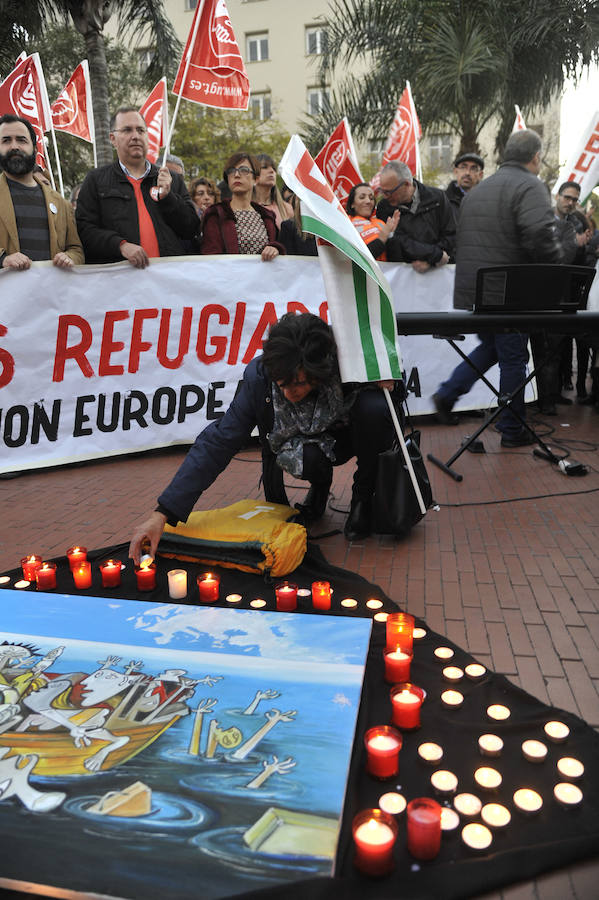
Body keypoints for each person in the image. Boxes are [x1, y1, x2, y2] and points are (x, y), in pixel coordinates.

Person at [128, 313, 398, 561]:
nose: (291, 392)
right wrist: (163, 513)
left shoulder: (348, 361)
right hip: (302, 445)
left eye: (301, 383)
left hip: (344, 435)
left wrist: (384, 379)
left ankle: (362, 497)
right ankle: (319, 485)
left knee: (375, 408)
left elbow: (395, 389)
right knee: (310, 458)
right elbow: (218, 442)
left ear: (320, 372)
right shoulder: (259, 379)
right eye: (284, 384)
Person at [432, 129, 563, 446]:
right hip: (510, 292)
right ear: (535, 157)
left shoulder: (480, 189)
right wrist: (558, 269)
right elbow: (540, 237)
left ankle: (447, 394)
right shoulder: (530, 185)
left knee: (493, 348)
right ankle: (512, 430)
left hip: (480, 290)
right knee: (514, 358)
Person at [75, 107, 198, 267]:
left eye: (141, 130)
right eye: (127, 130)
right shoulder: (96, 180)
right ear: (113, 139)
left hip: (168, 280)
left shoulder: (170, 179)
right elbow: (85, 230)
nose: (135, 136)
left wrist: (169, 198)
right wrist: (120, 245)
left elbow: (191, 229)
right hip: (120, 281)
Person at [0, 114, 83, 271]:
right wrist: (3, 259)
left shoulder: (61, 204)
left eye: (21, 140)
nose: (14, 146)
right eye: (6, 140)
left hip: (50, 294)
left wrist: (70, 257)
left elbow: (77, 250)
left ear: (35, 149)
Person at [201, 151, 284, 260]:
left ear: (256, 179)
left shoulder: (267, 216)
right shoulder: (216, 214)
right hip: (228, 275)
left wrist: (275, 248)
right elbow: (211, 256)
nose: (236, 175)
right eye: (231, 171)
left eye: (244, 170)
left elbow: (279, 249)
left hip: (263, 276)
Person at [376, 160, 455, 271]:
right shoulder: (384, 207)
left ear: (407, 184)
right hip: (400, 277)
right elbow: (396, 240)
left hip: (439, 274)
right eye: (382, 191)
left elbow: (451, 235)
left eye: (389, 192)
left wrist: (431, 262)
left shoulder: (437, 198)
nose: (385, 196)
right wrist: (434, 255)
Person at [346, 182, 399, 260]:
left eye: (371, 198)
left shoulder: (380, 223)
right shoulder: (346, 225)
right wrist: (381, 239)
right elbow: (358, 259)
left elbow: (394, 258)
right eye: (362, 197)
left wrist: (392, 235)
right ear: (352, 204)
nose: (368, 201)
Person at [253, 153, 293, 228]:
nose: (271, 171)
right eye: (264, 167)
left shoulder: (286, 208)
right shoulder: (245, 207)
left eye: (274, 169)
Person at [445, 152, 484, 219]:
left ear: (480, 175)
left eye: (473, 169)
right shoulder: (444, 201)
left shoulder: (486, 201)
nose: (467, 173)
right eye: (463, 167)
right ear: (455, 171)